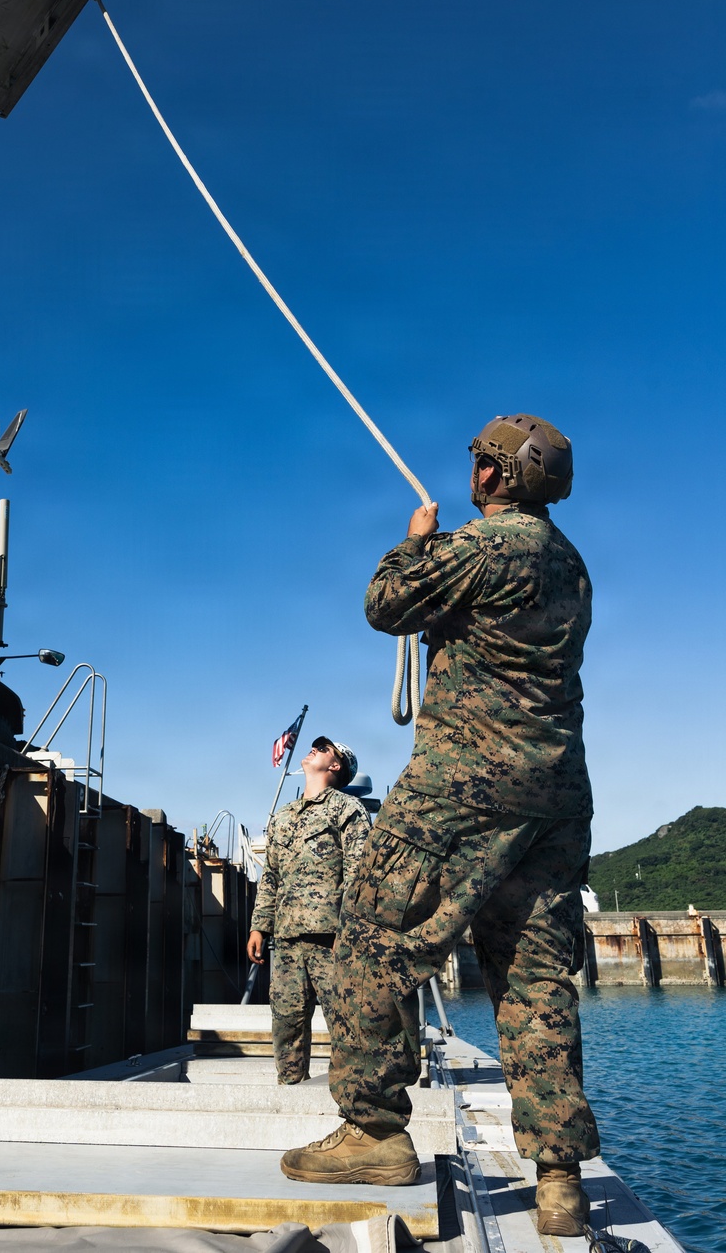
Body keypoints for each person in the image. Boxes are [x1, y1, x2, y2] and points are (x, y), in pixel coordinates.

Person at [280, 414, 599, 1239]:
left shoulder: (483, 547)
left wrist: (414, 542)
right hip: (555, 796)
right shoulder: (570, 563)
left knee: (368, 941)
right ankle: (559, 1178)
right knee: (534, 974)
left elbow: (386, 604)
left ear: (495, 475)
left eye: (481, 462)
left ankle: (375, 1133)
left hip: (464, 785)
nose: (474, 472)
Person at [248, 737, 371, 1086]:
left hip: (331, 937)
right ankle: (290, 1091)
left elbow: (359, 875)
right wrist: (259, 927)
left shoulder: (347, 809)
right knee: (286, 1023)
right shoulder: (283, 817)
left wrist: (351, 932)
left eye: (324, 747)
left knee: (345, 1022)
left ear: (336, 766)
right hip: (287, 938)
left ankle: (351, 1098)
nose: (314, 748)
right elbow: (271, 876)